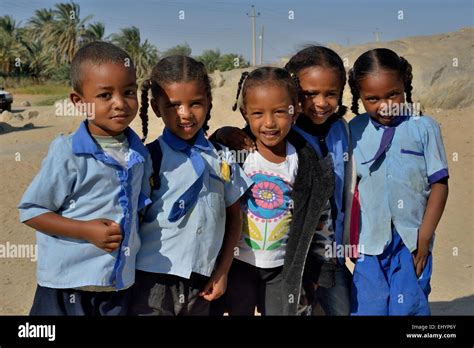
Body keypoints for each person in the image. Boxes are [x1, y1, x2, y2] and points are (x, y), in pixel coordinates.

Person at [18, 41, 150, 315]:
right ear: (79, 102)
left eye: (128, 92)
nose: (120, 104)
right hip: (66, 286)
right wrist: (86, 230)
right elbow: (31, 211)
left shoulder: (139, 153)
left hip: (117, 286)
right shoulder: (68, 152)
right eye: (105, 96)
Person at [129, 55, 253, 315]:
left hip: (202, 282)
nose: (185, 114)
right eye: (173, 105)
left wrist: (223, 271)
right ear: (155, 107)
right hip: (152, 280)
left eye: (195, 103)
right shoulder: (149, 159)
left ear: (208, 101)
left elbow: (234, 216)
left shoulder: (223, 157)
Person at [211, 66, 335, 315]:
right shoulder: (235, 153)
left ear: (295, 110)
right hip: (238, 265)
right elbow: (205, 160)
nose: (269, 123)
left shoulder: (304, 161)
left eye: (279, 112)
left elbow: (319, 218)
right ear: (245, 113)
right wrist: (220, 134)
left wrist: (315, 270)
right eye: (258, 113)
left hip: (283, 269)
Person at [348, 48, 449, 315]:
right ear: (359, 96)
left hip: (412, 241)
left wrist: (424, 238)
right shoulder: (352, 131)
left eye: (393, 94)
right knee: (368, 307)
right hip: (368, 242)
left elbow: (439, 183)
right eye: (372, 98)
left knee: (409, 308)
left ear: (404, 82)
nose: (385, 105)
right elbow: (348, 189)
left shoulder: (424, 127)